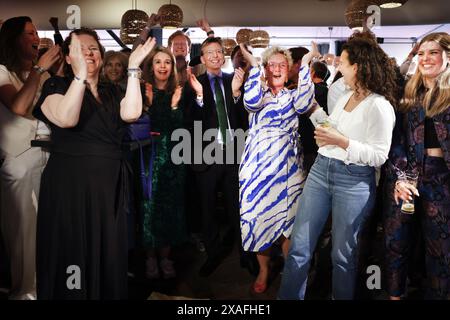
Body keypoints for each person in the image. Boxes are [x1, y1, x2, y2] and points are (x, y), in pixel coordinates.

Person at [33, 28, 154, 299]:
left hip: (108, 188)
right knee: (73, 252)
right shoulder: (56, 86)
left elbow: (132, 113)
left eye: (94, 48)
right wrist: (79, 77)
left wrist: (133, 68)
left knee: (108, 253)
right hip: (71, 188)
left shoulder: (111, 91)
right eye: (80, 48)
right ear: (67, 57)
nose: (89, 53)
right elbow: (66, 118)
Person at [279, 36, 398, 300]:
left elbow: (379, 155)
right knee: (299, 246)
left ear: (358, 67)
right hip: (321, 171)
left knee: (342, 255)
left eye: (343, 63)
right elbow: (333, 129)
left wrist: (342, 142)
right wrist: (312, 110)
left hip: (353, 181)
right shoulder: (345, 95)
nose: (339, 67)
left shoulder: (379, 106)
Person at [238, 43, 325, 293]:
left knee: (290, 222)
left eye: (281, 65)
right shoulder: (257, 92)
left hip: (289, 167)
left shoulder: (293, 96)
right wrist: (255, 67)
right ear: (265, 69)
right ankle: (264, 269)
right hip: (257, 167)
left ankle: (292, 270)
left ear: (288, 71)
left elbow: (306, 101)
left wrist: (307, 61)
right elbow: (251, 103)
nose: (276, 69)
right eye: (271, 64)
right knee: (259, 218)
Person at [385, 32, 450, 300]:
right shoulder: (407, 92)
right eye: (421, 53)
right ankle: (394, 296)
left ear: (447, 56)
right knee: (396, 242)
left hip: (442, 180)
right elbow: (395, 139)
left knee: (441, 249)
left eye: (433, 52)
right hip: (407, 176)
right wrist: (401, 177)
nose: (425, 58)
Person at [0, 16, 60, 300]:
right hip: (19, 158)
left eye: (36, 32)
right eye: (29, 33)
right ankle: (23, 293)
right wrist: (39, 69)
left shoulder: (45, 76)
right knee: (22, 232)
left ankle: (47, 287)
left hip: (50, 154)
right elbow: (19, 105)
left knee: (47, 228)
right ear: (13, 39)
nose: (36, 37)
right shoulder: (1, 71)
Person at [186, 37, 248, 277]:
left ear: (223, 56)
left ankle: (245, 255)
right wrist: (200, 98)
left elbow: (244, 119)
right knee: (208, 210)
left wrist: (235, 96)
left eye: (218, 52)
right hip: (206, 158)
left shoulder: (235, 80)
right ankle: (213, 255)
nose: (214, 56)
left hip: (234, 155)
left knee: (237, 208)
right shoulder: (194, 84)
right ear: (202, 59)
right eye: (209, 53)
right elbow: (189, 121)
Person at [140, 46, 186, 279]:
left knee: (170, 209)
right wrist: (147, 103)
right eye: (158, 62)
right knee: (148, 209)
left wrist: (175, 105)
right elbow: (141, 127)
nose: (162, 66)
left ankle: (166, 259)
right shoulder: (141, 91)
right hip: (148, 159)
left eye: (167, 62)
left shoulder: (179, 92)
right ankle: (149, 259)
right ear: (151, 66)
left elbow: (180, 131)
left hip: (173, 161)